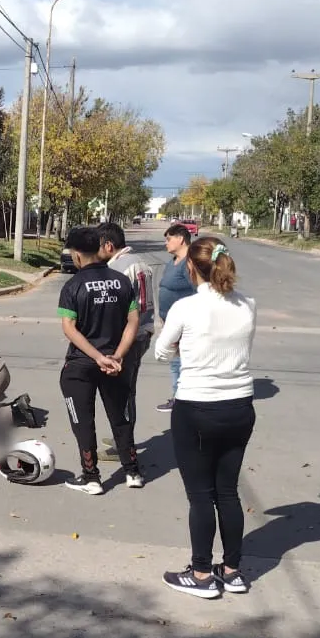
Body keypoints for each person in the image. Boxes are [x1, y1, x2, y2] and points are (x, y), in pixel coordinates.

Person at [154, 236, 257, 599]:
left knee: (200, 495)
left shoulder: (185, 308)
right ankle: (232, 571)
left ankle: (200, 575)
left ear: (190, 268)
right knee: (227, 491)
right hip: (240, 407)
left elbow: (161, 351)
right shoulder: (248, 304)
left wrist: (188, 346)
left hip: (196, 407)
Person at [58, 226, 144, 494]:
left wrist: (96, 356)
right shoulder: (122, 281)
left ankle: (91, 476)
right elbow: (133, 321)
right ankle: (132, 472)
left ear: (76, 255)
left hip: (81, 364)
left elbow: (69, 327)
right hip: (116, 362)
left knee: (82, 421)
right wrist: (116, 355)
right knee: (121, 417)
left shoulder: (72, 286)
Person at [97, 222, 156, 462]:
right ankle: (122, 434)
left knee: (119, 393)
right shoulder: (142, 263)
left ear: (109, 245)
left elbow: (114, 309)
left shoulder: (118, 269)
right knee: (128, 389)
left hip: (126, 338)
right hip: (144, 333)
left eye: (98, 246)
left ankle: (123, 446)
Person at [155, 223, 197, 413]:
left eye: (169, 239)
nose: (166, 243)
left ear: (180, 239)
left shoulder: (189, 263)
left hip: (185, 323)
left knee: (180, 362)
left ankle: (181, 399)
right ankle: (179, 397)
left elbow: (198, 291)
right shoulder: (172, 262)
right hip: (170, 321)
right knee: (175, 362)